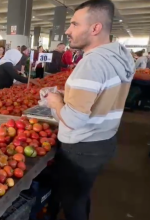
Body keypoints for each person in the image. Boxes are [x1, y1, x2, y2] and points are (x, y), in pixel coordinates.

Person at [45, 1, 135, 220]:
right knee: (81, 195)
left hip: (82, 147)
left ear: (95, 28)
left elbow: (74, 120)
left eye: (74, 24)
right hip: (104, 138)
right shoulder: (120, 57)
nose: (67, 30)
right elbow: (103, 96)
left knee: (73, 202)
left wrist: (55, 101)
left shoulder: (92, 64)